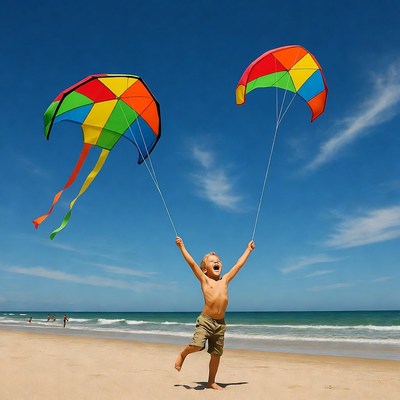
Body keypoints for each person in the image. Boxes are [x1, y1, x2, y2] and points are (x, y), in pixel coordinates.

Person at [174, 236, 255, 390]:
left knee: (216, 354)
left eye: (218, 260)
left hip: (220, 324)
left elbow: (238, 265)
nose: (216, 262)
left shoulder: (225, 280)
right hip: (206, 321)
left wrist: (248, 250)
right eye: (212, 261)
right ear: (204, 269)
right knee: (198, 345)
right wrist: (182, 247)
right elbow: (191, 263)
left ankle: (211, 381)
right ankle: (183, 354)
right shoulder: (204, 280)